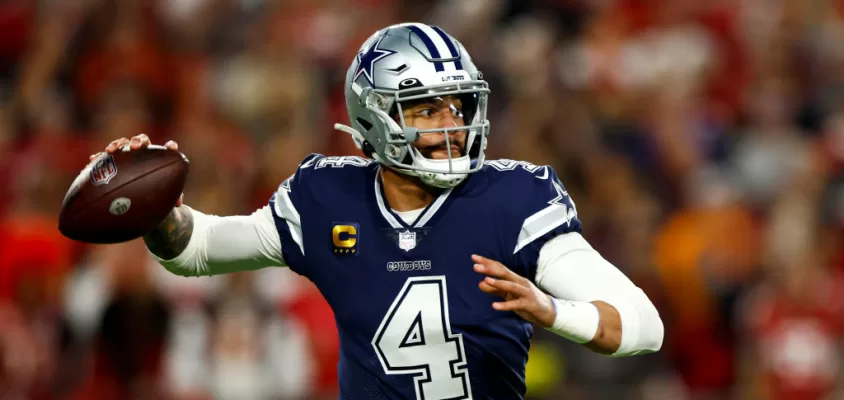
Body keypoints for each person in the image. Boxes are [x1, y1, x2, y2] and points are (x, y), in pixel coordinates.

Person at [94, 22, 663, 400]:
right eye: (424, 110)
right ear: (374, 119)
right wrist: (160, 211)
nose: (449, 126)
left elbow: (643, 325)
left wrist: (552, 311)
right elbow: (196, 251)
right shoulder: (325, 199)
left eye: (458, 106)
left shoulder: (514, 201)